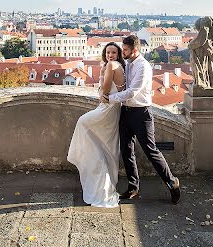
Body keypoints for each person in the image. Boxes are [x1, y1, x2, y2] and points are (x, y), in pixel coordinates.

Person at [101, 34, 180, 204]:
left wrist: (109, 99)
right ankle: (133, 187)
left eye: (126, 50)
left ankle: (172, 182)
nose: (123, 52)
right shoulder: (127, 63)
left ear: (135, 50)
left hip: (141, 113)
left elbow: (132, 92)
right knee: (126, 150)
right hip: (126, 112)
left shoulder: (144, 67)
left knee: (151, 151)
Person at [67, 42, 125, 207]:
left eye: (113, 52)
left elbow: (104, 90)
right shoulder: (115, 65)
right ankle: (103, 178)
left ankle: (94, 169)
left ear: (118, 54)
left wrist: (103, 76)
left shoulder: (112, 65)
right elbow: (101, 91)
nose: (110, 55)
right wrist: (101, 85)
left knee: (83, 123)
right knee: (107, 144)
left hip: (108, 107)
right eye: (108, 52)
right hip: (112, 108)